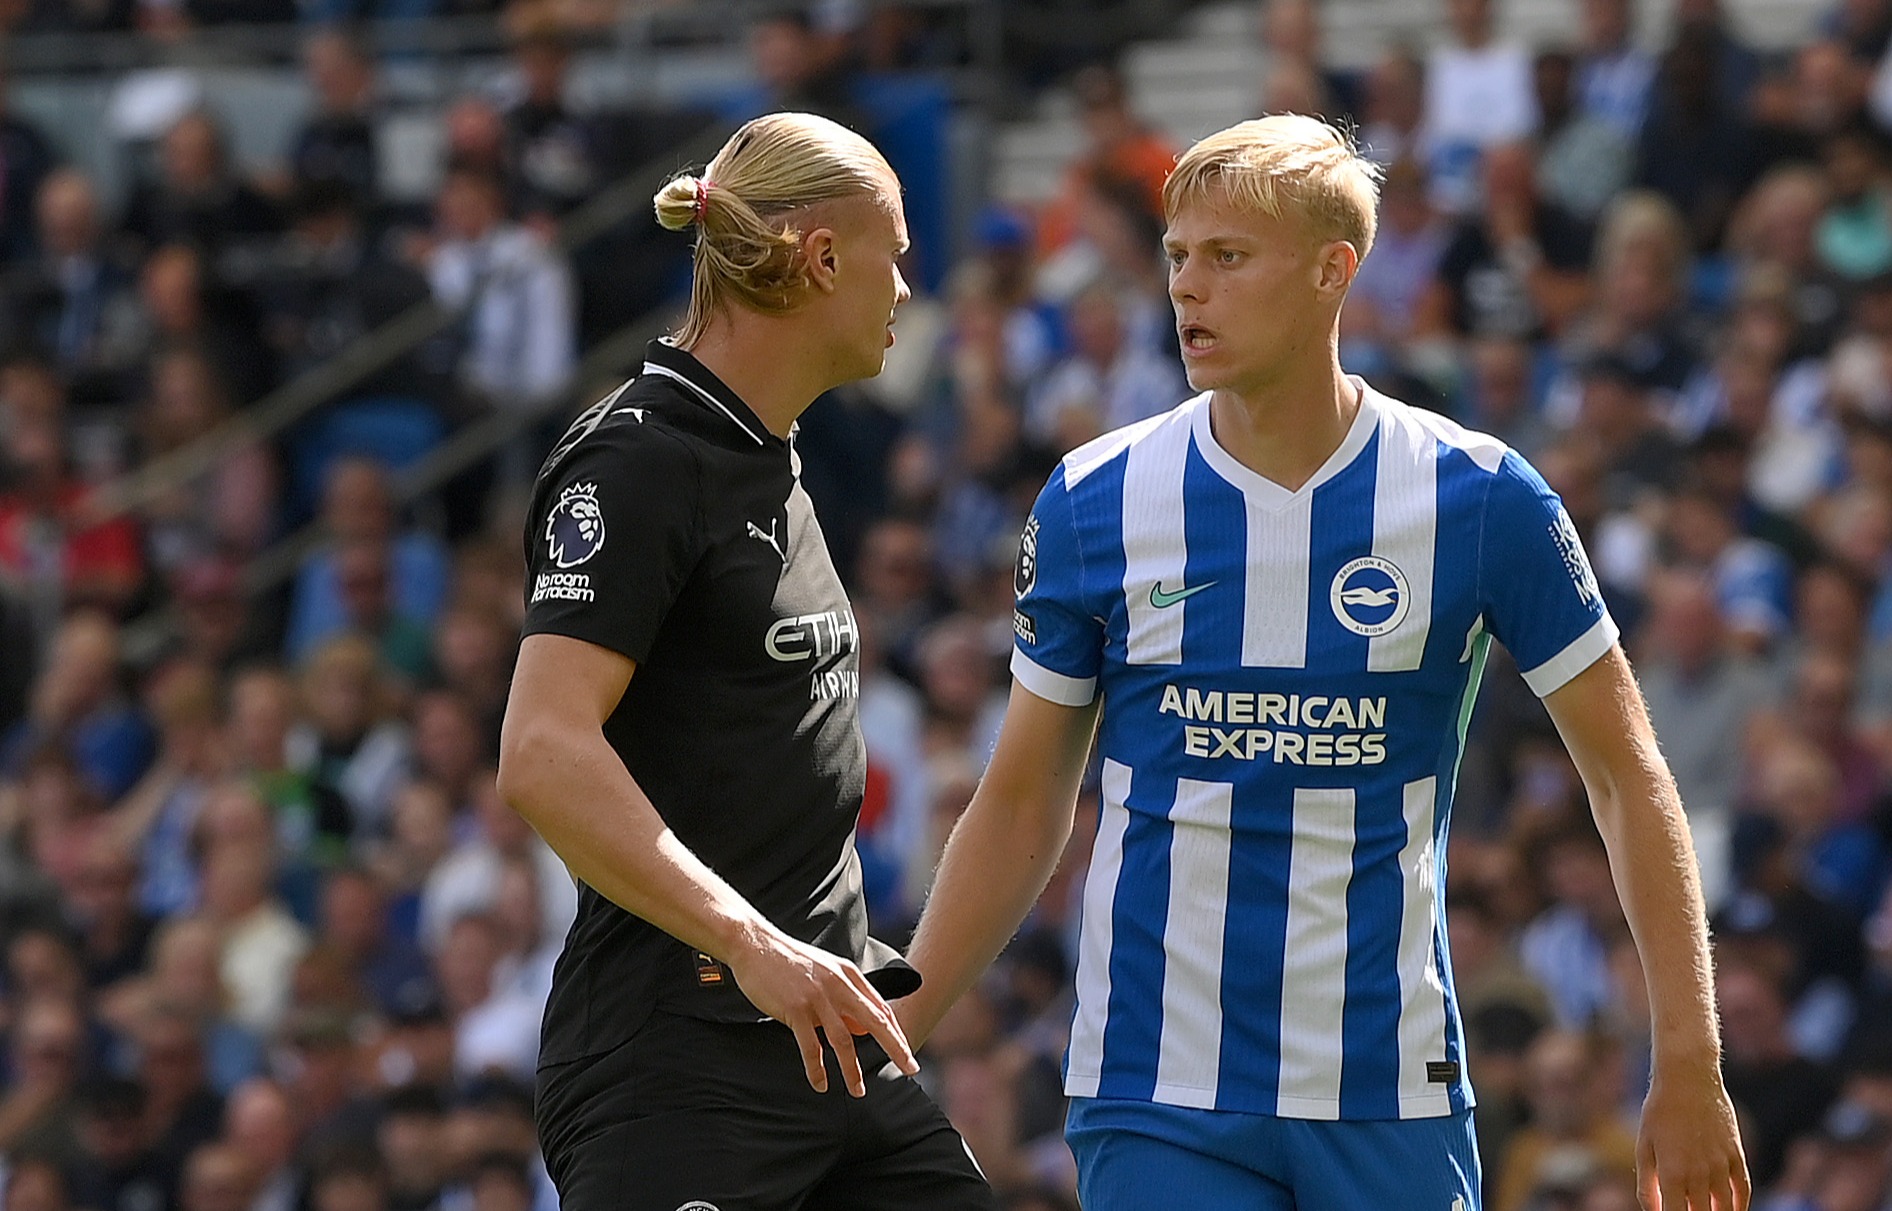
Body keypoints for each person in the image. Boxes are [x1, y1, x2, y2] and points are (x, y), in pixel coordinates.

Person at [897, 114, 1751, 1211]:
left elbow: (1626, 777)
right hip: (1158, 1089)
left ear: (1330, 271)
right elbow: (1020, 802)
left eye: (1226, 256)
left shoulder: (1478, 496)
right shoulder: (1092, 499)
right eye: (1176, 256)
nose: (1185, 289)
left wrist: (1686, 1060)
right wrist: (899, 1029)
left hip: (1388, 1087)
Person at [495, 112, 995, 1211]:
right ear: (820, 259)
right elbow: (539, 749)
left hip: (832, 1046)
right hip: (672, 1065)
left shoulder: (770, 455)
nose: (908, 286)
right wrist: (750, 943)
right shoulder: (634, 459)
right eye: (895, 253)